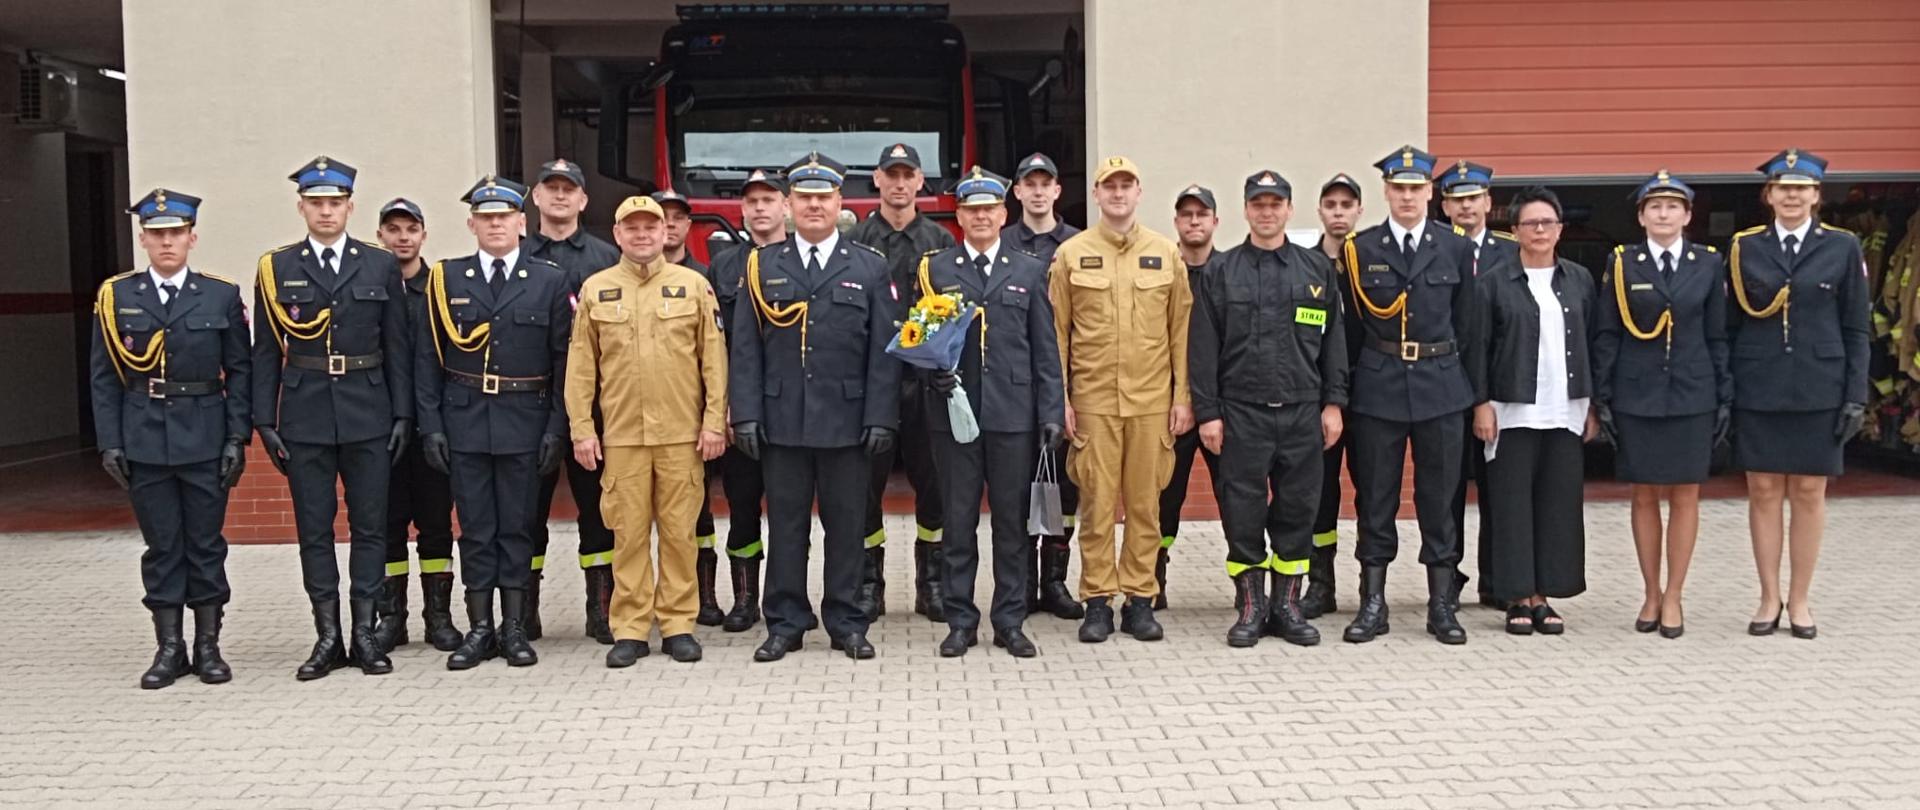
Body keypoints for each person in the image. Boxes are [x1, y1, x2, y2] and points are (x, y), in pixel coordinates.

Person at [731, 152, 899, 662]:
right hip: (782, 421)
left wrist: (880, 415)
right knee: (786, 528)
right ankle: (785, 621)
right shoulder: (762, 266)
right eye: (803, 198)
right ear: (787, 205)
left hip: (848, 423)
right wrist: (746, 413)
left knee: (847, 527)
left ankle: (847, 620)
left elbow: (883, 351)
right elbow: (745, 347)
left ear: (840, 204)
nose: (813, 206)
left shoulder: (868, 267)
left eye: (823, 197)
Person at [254, 156, 412, 678]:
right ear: (302, 207)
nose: (326, 211)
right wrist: (265, 421)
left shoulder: (379, 264)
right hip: (305, 415)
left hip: (369, 410)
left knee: (370, 529)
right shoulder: (276, 268)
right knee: (314, 531)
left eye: (335, 203)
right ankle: (327, 636)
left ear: (350, 207)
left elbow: (397, 345)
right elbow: (262, 352)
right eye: (316, 203)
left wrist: (402, 414)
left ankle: (365, 634)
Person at [92, 189, 250, 689]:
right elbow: (104, 377)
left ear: (191, 237)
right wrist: (110, 442)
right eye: (157, 234)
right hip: (143, 436)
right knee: (162, 546)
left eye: (175, 233)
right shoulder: (117, 295)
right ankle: (168, 648)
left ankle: (208, 648)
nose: (166, 242)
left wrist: (236, 438)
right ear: (143, 239)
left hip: (204, 434)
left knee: (204, 544)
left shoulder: (219, 294)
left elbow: (240, 371)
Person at [416, 175, 572, 669]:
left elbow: (564, 361)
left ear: (521, 223)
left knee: (518, 528)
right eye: (486, 218)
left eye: (504, 216)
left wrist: (556, 427)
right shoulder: (447, 278)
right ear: (471, 224)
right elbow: (428, 359)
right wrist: (431, 426)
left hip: (525, 422)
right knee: (478, 529)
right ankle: (480, 627)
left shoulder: (548, 279)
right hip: (464, 422)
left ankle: (515, 628)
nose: (495, 225)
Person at [1188, 171, 1348, 648]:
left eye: (1275, 203)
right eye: (1258, 203)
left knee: (1298, 510)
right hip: (1241, 414)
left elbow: (1334, 344)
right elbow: (1203, 347)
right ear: (1245, 210)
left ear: (1289, 209)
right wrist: (1208, 412)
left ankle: (1288, 605)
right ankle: (1252, 607)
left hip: (1302, 412)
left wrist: (1334, 404)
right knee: (1242, 510)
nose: (1267, 211)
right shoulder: (1222, 271)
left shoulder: (1315, 270)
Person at [569, 195, 729, 666]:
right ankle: (632, 628)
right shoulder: (597, 290)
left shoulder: (693, 286)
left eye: (651, 227)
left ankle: (679, 624)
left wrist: (714, 421)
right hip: (622, 437)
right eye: (632, 228)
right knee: (629, 536)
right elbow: (581, 368)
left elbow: (713, 362)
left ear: (666, 233)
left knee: (681, 534)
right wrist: (582, 429)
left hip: (682, 435)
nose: (642, 235)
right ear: (617, 234)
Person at [917, 168, 1064, 658]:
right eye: (971, 210)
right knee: (958, 522)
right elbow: (920, 340)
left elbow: (1045, 348)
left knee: (1010, 522)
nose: (981, 217)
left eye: (989, 209)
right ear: (959, 216)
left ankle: (1009, 619)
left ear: (1004, 214)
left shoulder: (1027, 270)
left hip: (1013, 415)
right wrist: (929, 376)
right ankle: (961, 620)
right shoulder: (937, 269)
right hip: (955, 415)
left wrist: (1050, 411)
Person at [1336, 146, 1480, 646]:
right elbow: (1350, 329)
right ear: (1386, 193)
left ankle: (1442, 603)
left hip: (1442, 384)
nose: (1407, 197)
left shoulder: (1457, 247)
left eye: (1416, 189)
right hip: (1379, 386)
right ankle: (1372, 602)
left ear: (1430, 192)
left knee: (1440, 500)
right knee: (1375, 499)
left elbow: (1470, 326)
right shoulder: (1361, 249)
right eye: (1399, 189)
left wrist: (1476, 395)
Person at [1728, 148, 1870, 640]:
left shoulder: (1844, 247)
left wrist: (1856, 393)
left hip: (1820, 385)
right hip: (1760, 384)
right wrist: (1728, 392)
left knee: (1809, 492)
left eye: (1802, 188)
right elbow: (1730, 326)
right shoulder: (1745, 247)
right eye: (1783, 188)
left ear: (1816, 196)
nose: (1792, 196)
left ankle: (1802, 599)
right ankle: (1769, 596)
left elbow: (1856, 327)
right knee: (1764, 491)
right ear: (1769, 195)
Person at [1050, 155, 1193, 643]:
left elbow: (1181, 333)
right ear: (1095, 195)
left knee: (1145, 504)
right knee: (1095, 504)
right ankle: (1096, 600)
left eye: (1126, 185)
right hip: (1092, 402)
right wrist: (1060, 399)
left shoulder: (1165, 253)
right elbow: (1057, 334)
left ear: (1139, 192)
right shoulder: (1071, 254)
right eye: (1108, 186)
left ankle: (1139, 599)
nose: (1117, 193)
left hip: (1153, 401)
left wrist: (1183, 396)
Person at [1591, 171, 1731, 639]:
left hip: (1693, 392)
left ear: (1688, 215)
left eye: (1673, 207)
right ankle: (1650, 592)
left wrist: (1723, 395)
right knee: (1645, 494)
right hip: (1637, 394)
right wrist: (1603, 395)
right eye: (1655, 207)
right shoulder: (1622, 263)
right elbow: (1607, 332)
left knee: (1686, 495)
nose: (1664, 214)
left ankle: (1675, 595)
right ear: (1641, 216)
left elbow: (1717, 335)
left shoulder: (1708, 263)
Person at [1472, 186, 1599, 635]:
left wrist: (1592, 404)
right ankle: (1516, 596)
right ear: (1515, 231)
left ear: (1560, 229)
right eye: (1531, 223)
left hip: (1565, 408)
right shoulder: (1492, 282)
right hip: (1511, 409)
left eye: (1548, 223)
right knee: (1511, 505)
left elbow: (1594, 342)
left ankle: (1543, 595)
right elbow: (1479, 347)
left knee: (1556, 505)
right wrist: (1482, 402)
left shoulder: (1580, 279)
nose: (1540, 230)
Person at [847, 143, 956, 623]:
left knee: (934, 486)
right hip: (872, 385)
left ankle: (931, 583)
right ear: (876, 179)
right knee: (864, 486)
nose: (898, 183)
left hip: (925, 383)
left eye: (907, 174)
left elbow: (952, 310)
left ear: (919, 181)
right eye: (890, 174)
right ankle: (870, 584)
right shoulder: (856, 240)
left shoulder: (940, 240)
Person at [523, 158, 622, 644]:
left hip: (596, 407)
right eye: (551, 188)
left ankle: (601, 608)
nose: (560, 197)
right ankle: (524, 612)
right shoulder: (516, 256)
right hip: (532, 404)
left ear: (584, 200)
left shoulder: (606, 259)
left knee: (599, 512)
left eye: (569, 189)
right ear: (535, 197)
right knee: (527, 513)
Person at [372, 198, 462, 653]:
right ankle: (392, 618)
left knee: (435, 524)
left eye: (411, 229)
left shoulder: (439, 287)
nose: (402, 237)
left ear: (424, 235)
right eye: (393, 229)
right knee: (386, 525)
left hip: (433, 427)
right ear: (379, 235)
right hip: (382, 427)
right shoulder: (372, 286)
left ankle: (439, 617)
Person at [701, 168, 788, 633]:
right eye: (751, 201)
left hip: (793, 407)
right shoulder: (724, 266)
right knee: (741, 504)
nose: (759, 208)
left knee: (791, 508)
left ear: (785, 206)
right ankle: (745, 598)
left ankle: (787, 595)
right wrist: (726, 406)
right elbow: (717, 346)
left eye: (768, 199)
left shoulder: (800, 260)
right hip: (742, 410)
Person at [1004, 152, 1085, 621]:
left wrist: (1070, 394)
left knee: (1061, 489)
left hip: (1065, 387)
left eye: (1045, 184)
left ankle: (1053, 581)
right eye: (1028, 184)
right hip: (1013, 389)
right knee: (1017, 489)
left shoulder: (1078, 245)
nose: (1037, 191)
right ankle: (1021, 585)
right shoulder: (1001, 242)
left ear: (1057, 191)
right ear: (1016, 192)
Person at [1438, 160, 1518, 611]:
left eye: (1474, 198)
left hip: (1498, 388)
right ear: (1445, 205)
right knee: (1447, 490)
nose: (1466, 206)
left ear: (1488, 202)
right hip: (1447, 386)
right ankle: (1447, 578)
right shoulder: (1433, 248)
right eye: (1457, 199)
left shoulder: (1510, 252)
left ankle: (1499, 579)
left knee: (1499, 488)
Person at [1154, 184, 1221, 609]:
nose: (1194, 221)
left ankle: (1245, 584)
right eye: (1186, 214)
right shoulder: (1159, 270)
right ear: (1176, 222)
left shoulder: (1232, 270)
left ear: (1216, 221)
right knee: (1162, 498)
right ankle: (1152, 579)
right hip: (1168, 407)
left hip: (1220, 410)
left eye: (1202, 214)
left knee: (1235, 498)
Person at [1306, 173, 1366, 619]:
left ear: (1359, 211)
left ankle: (1370, 585)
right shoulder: (1304, 265)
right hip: (1317, 398)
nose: (1339, 212)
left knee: (1372, 493)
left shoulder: (1375, 260)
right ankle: (1319, 585)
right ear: (1320, 211)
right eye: (1332, 204)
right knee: (1319, 493)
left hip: (1368, 397)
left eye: (1348, 204)